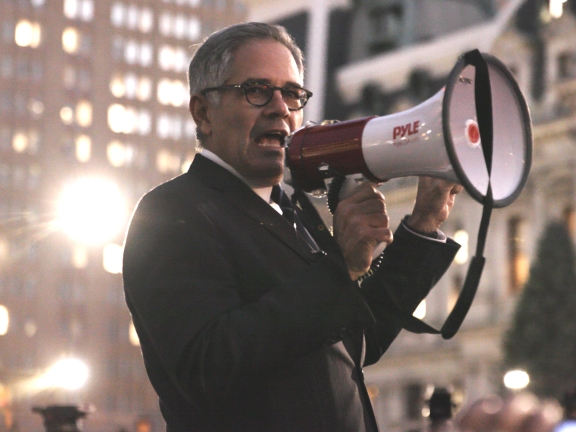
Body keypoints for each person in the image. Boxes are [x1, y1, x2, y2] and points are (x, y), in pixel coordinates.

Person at [122, 22, 463, 431]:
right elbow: (206, 366)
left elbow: (354, 340)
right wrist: (340, 269)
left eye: (292, 93)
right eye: (257, 90)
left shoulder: (293, 208)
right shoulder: (171, 212)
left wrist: (423, 224)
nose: (281, 107)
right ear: (203, 112)